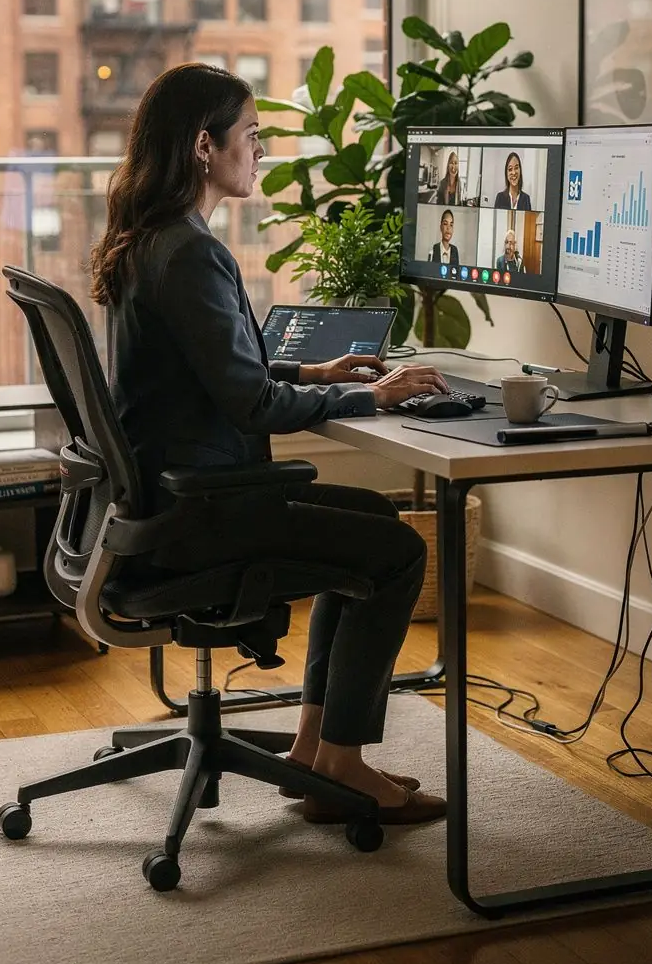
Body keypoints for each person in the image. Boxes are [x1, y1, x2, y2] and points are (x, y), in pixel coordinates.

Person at [90, 63, 447, 826]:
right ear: (204, 147)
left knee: (375, 523)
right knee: (398, 553)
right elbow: (250, 404)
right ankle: (344, 765)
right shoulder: (190, 253)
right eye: (251, 135)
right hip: (201, 516)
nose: (260, 151)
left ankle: (313, 753)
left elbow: (210, 371)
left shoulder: (153, 239)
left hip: (165, 502)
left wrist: (314, 371)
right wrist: (371, 396)